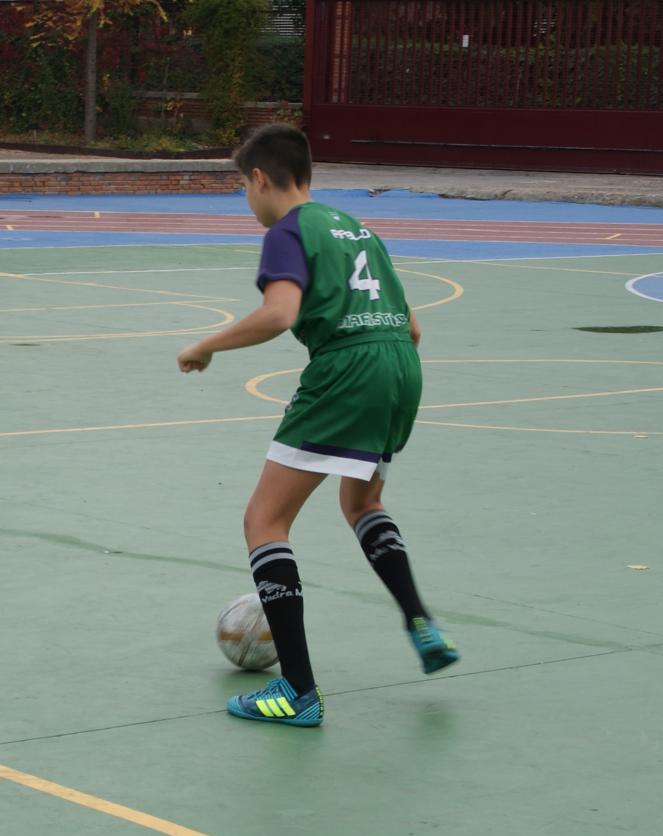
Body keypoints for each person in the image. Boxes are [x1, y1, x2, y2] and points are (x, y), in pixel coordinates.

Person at [177, 124, 458, 727]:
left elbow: (280, 314)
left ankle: (297, 692)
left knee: (264, 519)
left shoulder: (287, 231)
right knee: (362, 501)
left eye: (242, 188)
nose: (246, 201)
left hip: (347, 371)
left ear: (258, 178)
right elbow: (412, 327)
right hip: (401, 369)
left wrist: (208, 345)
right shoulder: (357, 228)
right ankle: (419, 620)